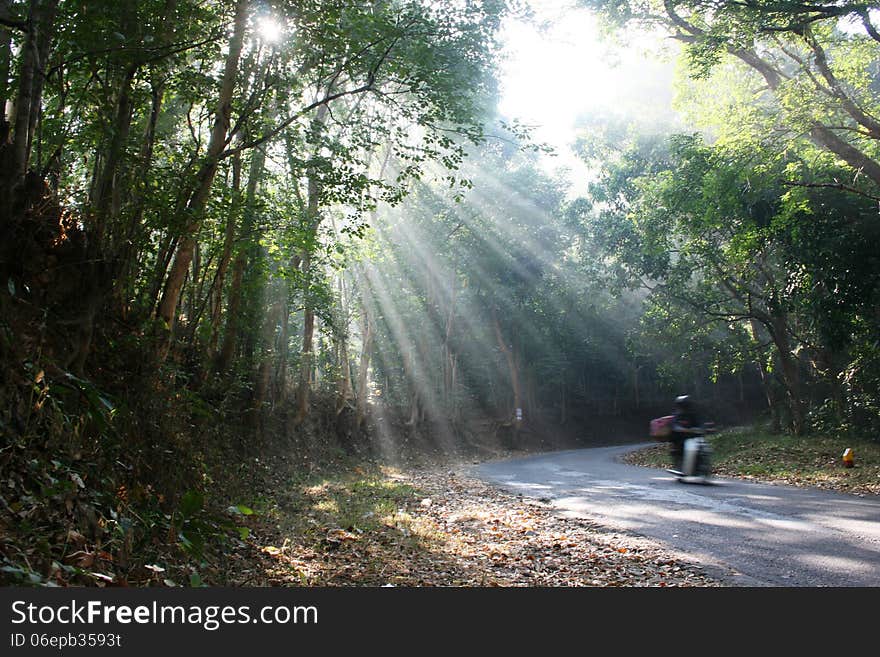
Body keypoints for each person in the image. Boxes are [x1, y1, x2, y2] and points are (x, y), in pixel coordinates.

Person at [669, 395, 702, 473]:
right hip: (680, 440)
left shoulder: (692, 415)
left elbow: (699, 424)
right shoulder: (677, 415)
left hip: (693, 438)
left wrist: (705, 428)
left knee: (702, 446)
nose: (685, 407)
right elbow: (674, 426)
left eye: (687, 405)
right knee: (681, 448)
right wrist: (683, 429)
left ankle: (699, 465)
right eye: (684, 405)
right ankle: (683, 468)